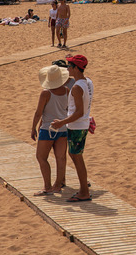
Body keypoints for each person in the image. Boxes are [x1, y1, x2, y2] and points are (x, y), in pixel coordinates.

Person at [51, 55, 93, 202]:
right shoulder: (88, 82)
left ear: (76, 68)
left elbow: (79, 112)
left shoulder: (76, 87)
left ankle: (84, 192)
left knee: (77, 157)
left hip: (77, 126)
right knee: (76, 156)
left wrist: (61, 122)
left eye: (69, 66)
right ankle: (83, 190)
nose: (67, 68)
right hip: (82, 125)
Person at [31, 64, 70, 195]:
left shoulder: (46, 93)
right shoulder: (66, 91)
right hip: (63, 128)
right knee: (61, 158)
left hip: (48, 129)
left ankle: (47, 186)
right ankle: (58, 185)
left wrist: (33, 128)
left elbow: (38, 113)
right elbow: (68, 110)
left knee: (41, 157)